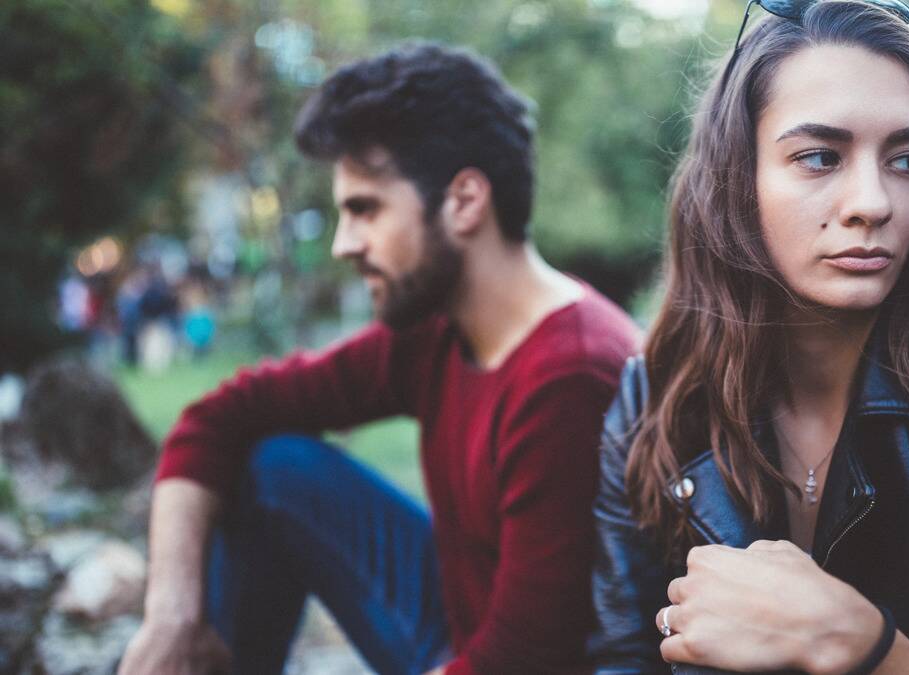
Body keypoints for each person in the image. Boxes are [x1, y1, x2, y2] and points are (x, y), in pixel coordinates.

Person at [589, 2, 909, 673]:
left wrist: (862, 643)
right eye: (819, 156)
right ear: (737, 177)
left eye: (907, 159)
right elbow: (620, 659)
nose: (873, 201)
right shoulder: (653, 401)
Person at [119, 42, 641, 675]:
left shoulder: (571, 377)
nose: (343, 245)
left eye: (364, 209)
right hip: (457, 629)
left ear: (465, 201)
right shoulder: (435, 329)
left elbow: (525, 661)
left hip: (511, 661)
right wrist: (172, 616)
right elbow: (217, 418)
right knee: (276, 467)